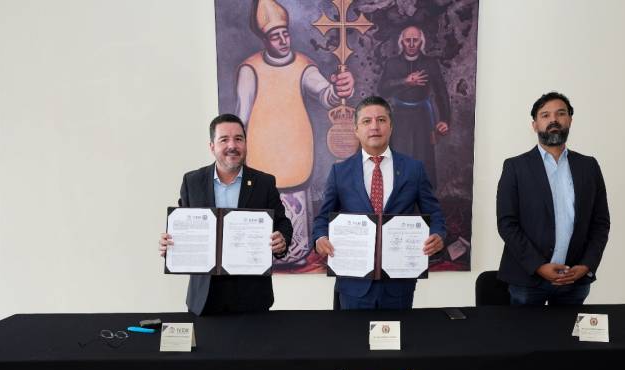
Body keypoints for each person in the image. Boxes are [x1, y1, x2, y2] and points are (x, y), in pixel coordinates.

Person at [235, 0, 354, 264]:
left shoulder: (302, 64)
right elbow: (241, 117)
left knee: (296, 214)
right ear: (264, 39)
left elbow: (326, 94)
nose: (282, 40)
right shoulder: (250, 69)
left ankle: (297, 255)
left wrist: (339, 89)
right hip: (262, 155)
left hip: (295, 153)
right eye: (275, 36)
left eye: (285, 34)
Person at [312, 96, 446, 310]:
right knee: (353, 333)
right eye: (366, 121)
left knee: (397, 333)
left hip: (398, 284)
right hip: (353, 284)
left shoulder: (414, 169)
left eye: (381, 120)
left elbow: (435, 214)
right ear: (356, 130)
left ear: (391, 127)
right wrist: (320, 238)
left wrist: (438, 234)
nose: (374, 126)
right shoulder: (340, 172)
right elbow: (322, 219)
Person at [159, 114, 293, 315]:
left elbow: (282, 223)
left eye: (238, 139)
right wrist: (170, 244)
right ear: (212, 146)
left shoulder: (264, 183)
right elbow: (182, 226)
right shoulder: (192, 182)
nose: (232, 145)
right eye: (224, 140)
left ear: (245, 143)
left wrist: (281, 240)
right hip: (204, 298)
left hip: (252, 297)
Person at [496, 92, 610, 305]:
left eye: (561, 113)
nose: (554, 120)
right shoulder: (515, 167)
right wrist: (538, 266)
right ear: (535, 125)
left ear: (570, 120)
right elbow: (507, 224)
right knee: (524, 329)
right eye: (545, 115)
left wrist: (587, 265)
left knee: (569, 329)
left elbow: (600, 223)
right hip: (527, 280)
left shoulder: (589, 166)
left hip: (574, 279)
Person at [378, 25, 450, 188]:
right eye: (407, 40)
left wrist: (445, 119)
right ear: (401, 42)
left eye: (415, 40)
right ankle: (399, 195)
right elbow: (382, 89)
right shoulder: (392, 63)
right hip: (400, 115)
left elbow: (441, 92)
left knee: (423, 157)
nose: (411, 44)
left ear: (421, 42)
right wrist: (405, 81)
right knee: (399, 156)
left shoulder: (430, 63)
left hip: (423, 116)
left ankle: (423, 196)